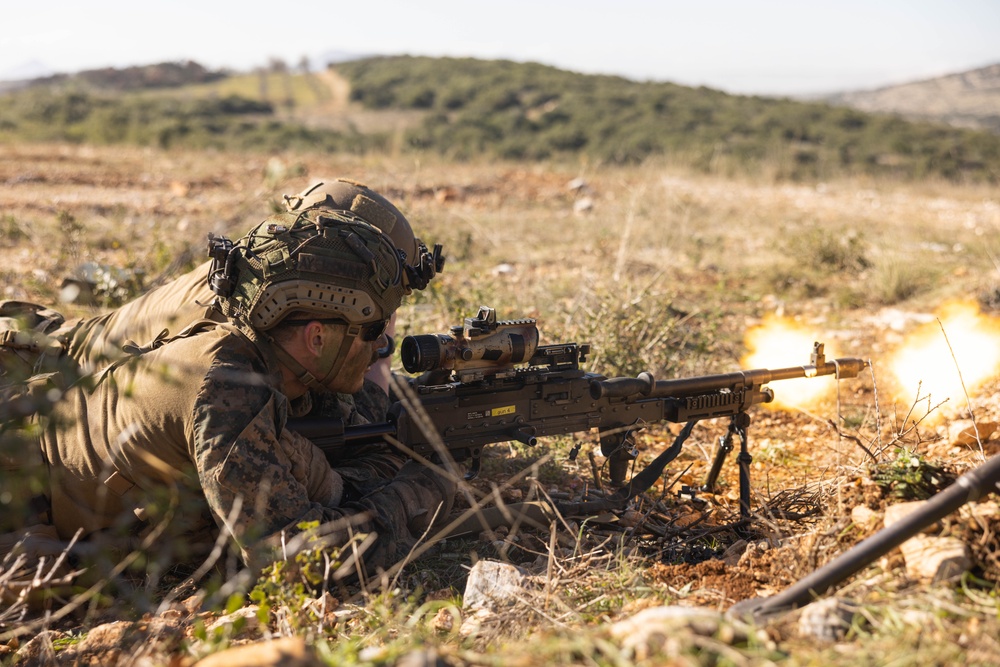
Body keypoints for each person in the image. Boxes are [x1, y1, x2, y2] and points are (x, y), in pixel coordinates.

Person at [28, 202, 457, 580]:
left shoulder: (263, 349)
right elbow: (297, 559)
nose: (383, 347)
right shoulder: (227, 386)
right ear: (316, 338)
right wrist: (425, 489)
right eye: (373, 331)